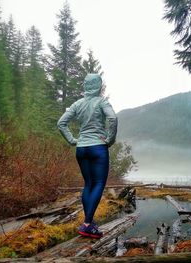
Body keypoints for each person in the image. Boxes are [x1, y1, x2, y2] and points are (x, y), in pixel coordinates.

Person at [57, 73, 118, 238]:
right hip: (98, 147)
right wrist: (110, 140)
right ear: (99, 86)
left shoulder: (78, 104)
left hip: (81, 148)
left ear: (85, 86)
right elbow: (112, 118)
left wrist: (72, 140)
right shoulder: (102, 102)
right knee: (98, 183)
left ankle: (88, 222)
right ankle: (87, 224)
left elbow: (61, 123)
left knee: (88, 184)